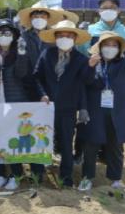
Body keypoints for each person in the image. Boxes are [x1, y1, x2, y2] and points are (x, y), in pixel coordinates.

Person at [79, 32, 125, 191]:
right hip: (95, 112)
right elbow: (84, 81)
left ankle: (115, 179)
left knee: (115, 146)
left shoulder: (123, 63)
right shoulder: (92, 62)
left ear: (119, 49)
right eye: (107, 45)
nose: (110, 48)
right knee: (91, 145)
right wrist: (90, 66)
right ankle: (87, 177)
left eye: (114, 45)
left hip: (117, 112)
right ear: (100, 47)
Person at [34, 20, 95, 187]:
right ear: (55, 38)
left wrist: (91, 67)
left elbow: (87, 81)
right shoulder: (47, 54)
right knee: (41, 139)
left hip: (68, 108)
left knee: (67, 143)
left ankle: (66, 177)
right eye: (60, 35)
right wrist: (42, 94)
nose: (64, 38)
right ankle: (38, 173)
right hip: (46, 107)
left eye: (68, 36)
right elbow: (37, 76)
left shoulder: (81, 59)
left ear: (75, 38)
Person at [0, 19, 42, 190]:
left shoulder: (20, 52)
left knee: (13, 140)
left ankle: (16, 175)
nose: (3, 36)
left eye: (7, 33)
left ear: (14, 35)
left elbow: (23, 75)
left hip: (17, 103)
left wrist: (22, 54)